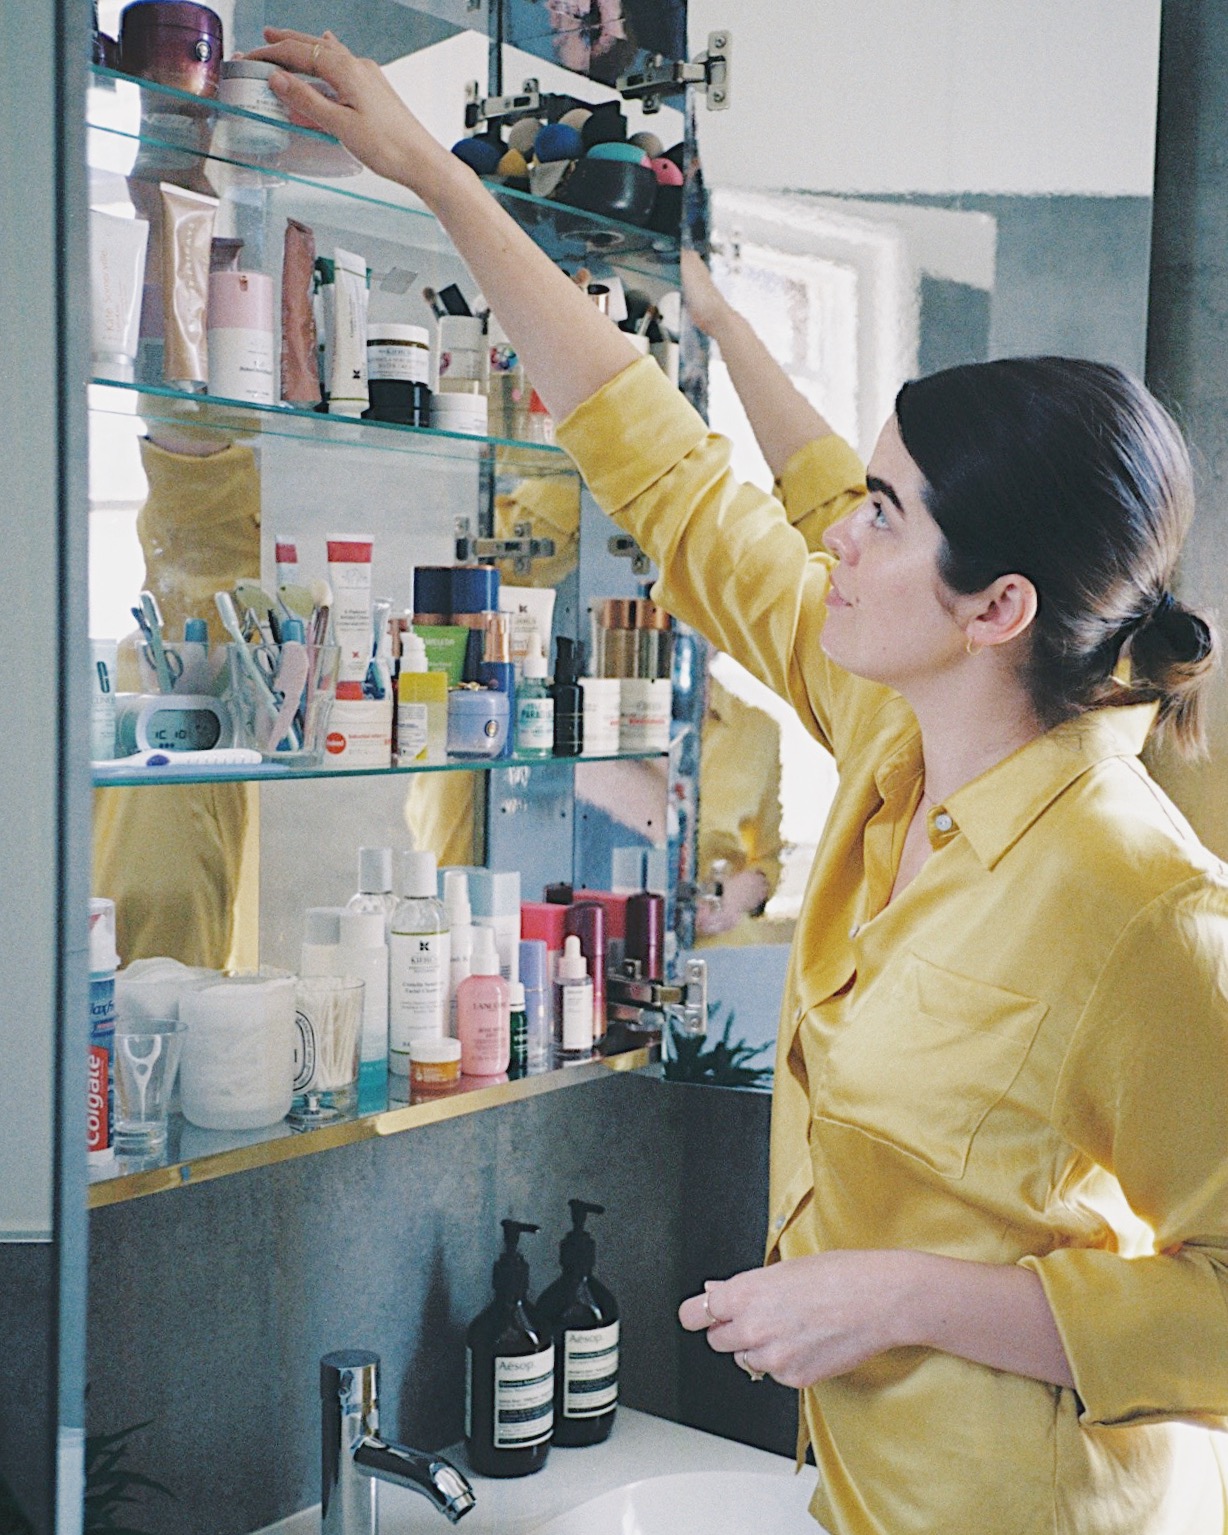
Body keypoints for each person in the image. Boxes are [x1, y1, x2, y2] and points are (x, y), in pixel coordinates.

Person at [252, 30, 1228, 1532]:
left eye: (883, 514)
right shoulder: (895, 727)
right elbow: (674, 474)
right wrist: (443, 184)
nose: (834, 531)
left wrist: (904, 1295)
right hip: (847, 1492)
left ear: (999, 608)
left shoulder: (1139, 906)